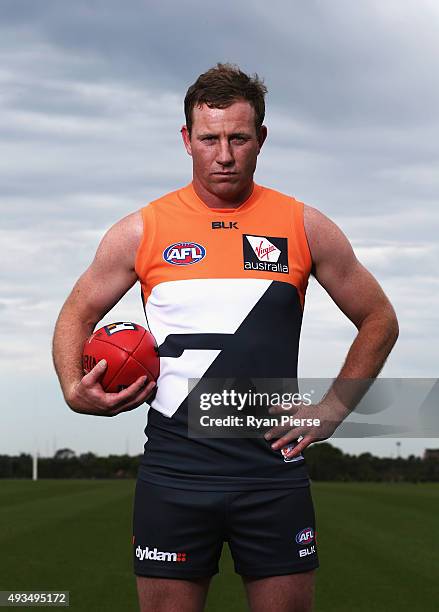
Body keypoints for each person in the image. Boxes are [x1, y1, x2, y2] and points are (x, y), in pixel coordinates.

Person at [52, 63, 399, 612]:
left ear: (261, 139)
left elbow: (379, 317)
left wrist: (335, 405)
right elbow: (75, 313)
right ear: (186, 140)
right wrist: (74, 386)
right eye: (209, 138)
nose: (224, 154)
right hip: (174, 470)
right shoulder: (142, 230)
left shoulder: (302, 224)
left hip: (272, 472)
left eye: (238, 137)